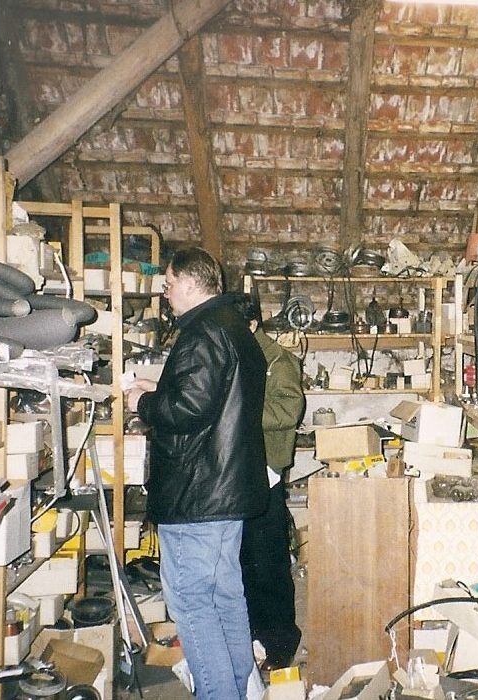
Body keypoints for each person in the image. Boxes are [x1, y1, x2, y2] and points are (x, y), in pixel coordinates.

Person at [125, 248, 268, 700]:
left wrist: (142, 402)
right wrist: (161, 387)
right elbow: (215, 399)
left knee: (191, 603)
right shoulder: (232, 328)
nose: (166, 295)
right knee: (225, 597)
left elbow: (188, 410)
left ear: (189, 283)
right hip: (227, 490)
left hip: (196, 494)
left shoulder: (202, 332)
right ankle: (242, 690)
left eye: (168, 285)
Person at [226, 291, 306, 671]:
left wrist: (237, 411)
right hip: (236, 471)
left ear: (252, 324)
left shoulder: (278, 361)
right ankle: (253, 640)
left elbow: (289, 410)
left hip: (265, 473)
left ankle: (281, 643)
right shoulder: (236, 355)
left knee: (269, 562)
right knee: (242, 561)